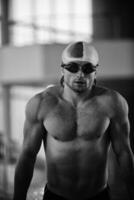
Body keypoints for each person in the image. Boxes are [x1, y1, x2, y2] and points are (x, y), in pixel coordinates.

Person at [13, 41, 134, 200]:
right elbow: (28, 155)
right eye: (73, 67)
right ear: (62, 69)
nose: (80, 74)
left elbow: (124, 152)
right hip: (56, 196)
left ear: (95, 72)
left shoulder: (113, 103)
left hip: (98, 196)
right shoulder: (42, 104)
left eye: (88, 68)